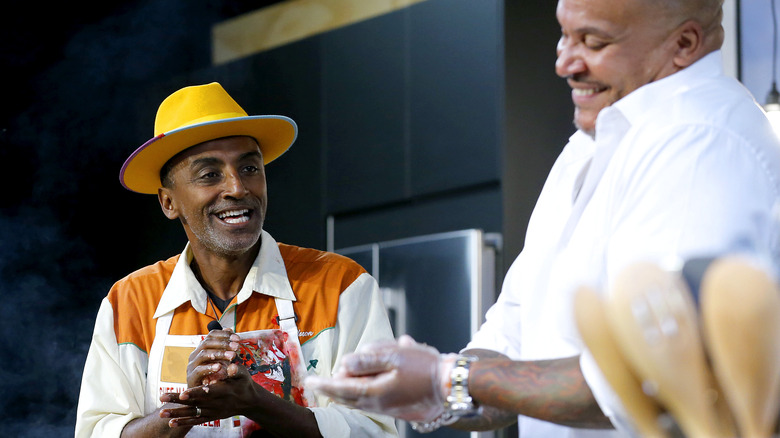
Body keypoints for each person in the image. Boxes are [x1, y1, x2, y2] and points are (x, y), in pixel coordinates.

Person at [306, 0, 780, 436]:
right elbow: (514, 340)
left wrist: (447, 376)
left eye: (593, 42)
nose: (563, 63)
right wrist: (432, 389)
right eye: (563, 35)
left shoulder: (698, 144)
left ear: (684, 44)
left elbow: (654, 379)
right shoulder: (592, 142)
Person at [75, 82, 398, 438]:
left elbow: (377, 430)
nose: (238, 188)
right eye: (210, 174)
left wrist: (256, 402)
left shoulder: (340, 286)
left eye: (249, 169)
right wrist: (185, 407)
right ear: (169, 202)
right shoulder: (130, 302)